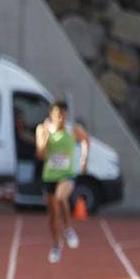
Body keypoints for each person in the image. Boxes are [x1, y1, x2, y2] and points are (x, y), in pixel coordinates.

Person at [35, 100, 89, 264]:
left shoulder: (73, 130)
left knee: (61, 198)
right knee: (52, 215)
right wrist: (45, 137)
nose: (61, 119)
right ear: (51, 115)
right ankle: (56, 245)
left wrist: (84, 159)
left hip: (67, 174)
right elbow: (40, 155)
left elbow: (86, 139)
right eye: (58, 115)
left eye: (63, 115)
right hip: (50, 176)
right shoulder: (43, 129)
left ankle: (68, 229)